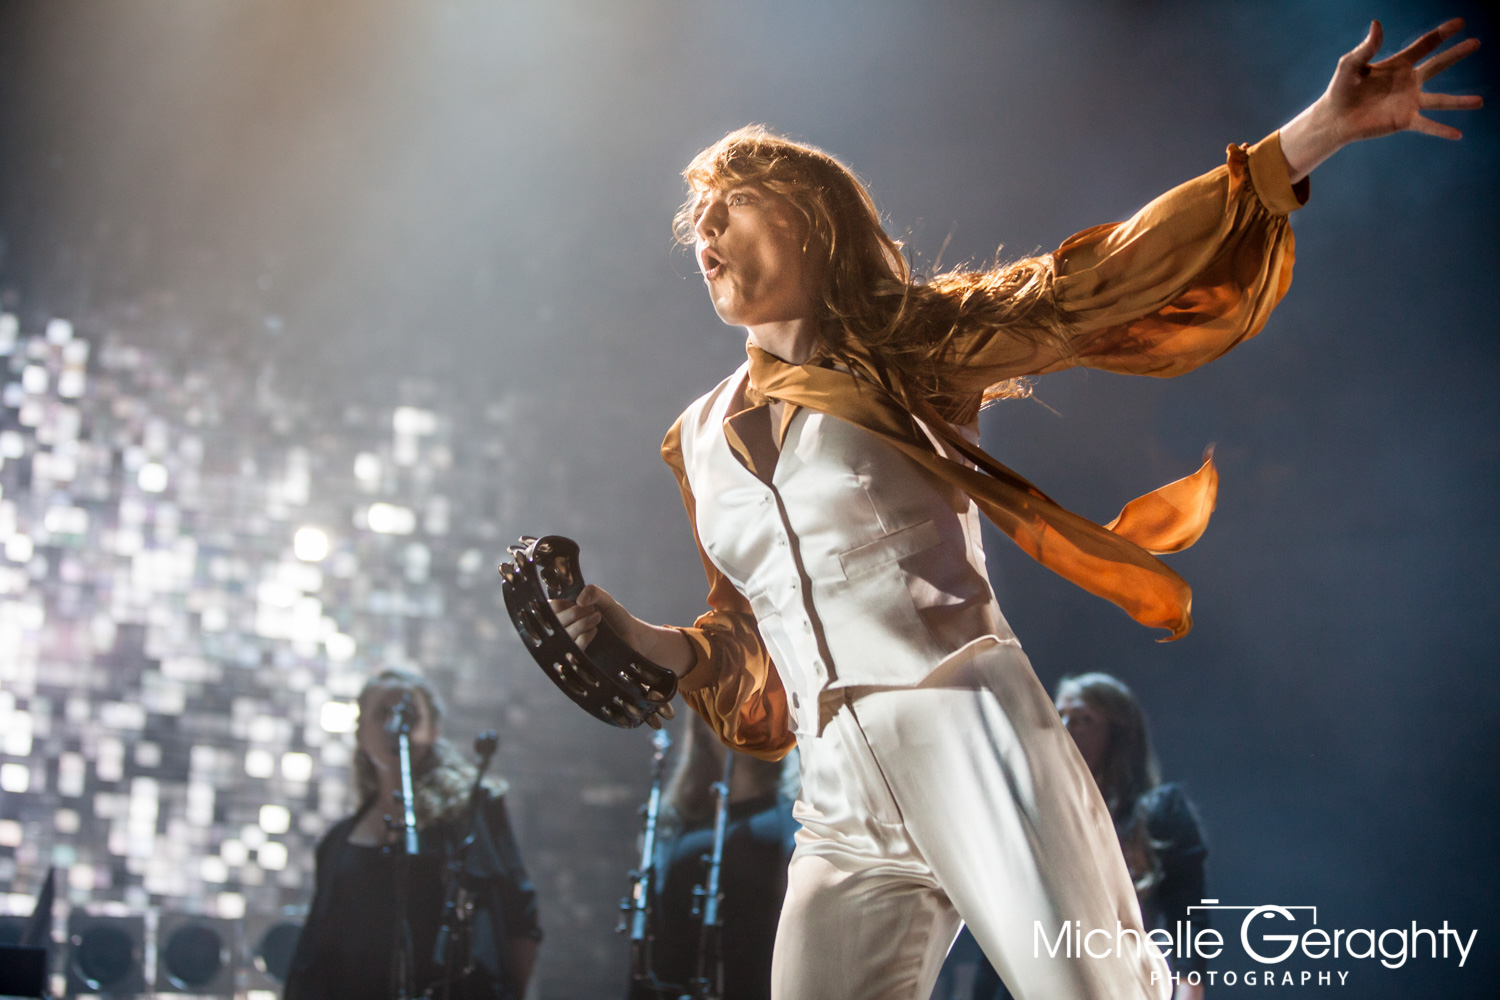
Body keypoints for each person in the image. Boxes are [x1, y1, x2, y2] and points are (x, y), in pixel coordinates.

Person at [550, 19, 1480, 1000]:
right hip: (835, 788)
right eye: (697, 219)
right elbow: (750, 634)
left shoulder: (912, 344)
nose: (705, 235)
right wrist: (644, 639)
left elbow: (1095, 280)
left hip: (967, 724)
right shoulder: (695, 436)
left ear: (811, 224)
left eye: (732, 207)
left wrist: (1314, 134)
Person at [284, 668, 541, 1000]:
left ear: (432, 731)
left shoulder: (472, 813)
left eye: (407, 714)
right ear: (361, 734)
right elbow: (317, 949)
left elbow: (519, 917)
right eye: (382, 714)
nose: (395, 725)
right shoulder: (336, 842)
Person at [646, 714, 798, 1000]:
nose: (735, 713)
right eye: (720, 700)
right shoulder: (676, 821)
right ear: (699, 724)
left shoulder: (793, 821)